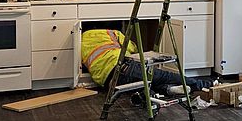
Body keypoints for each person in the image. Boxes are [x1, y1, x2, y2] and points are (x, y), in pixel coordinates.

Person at [80, 28, 214, 93]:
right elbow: (133, 48)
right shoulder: (111, 33)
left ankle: (169, 90)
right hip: (125, 66)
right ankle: (206, 84)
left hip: (110, 83)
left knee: (146, 84)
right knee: (163, 75)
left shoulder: (80, 42)